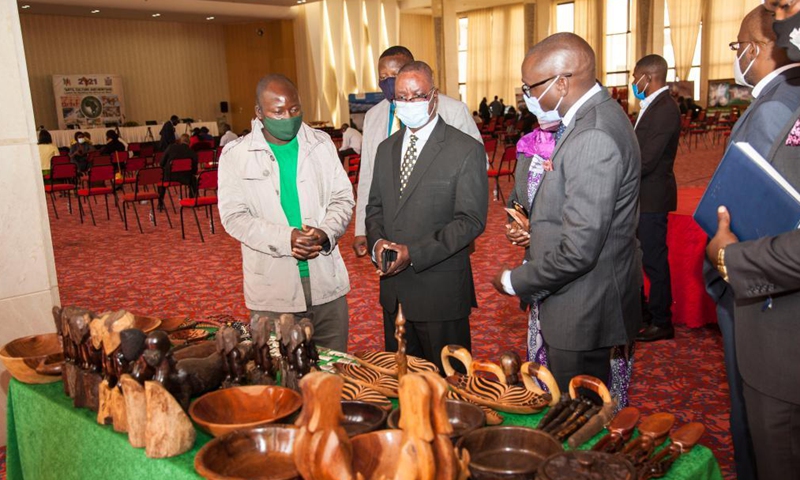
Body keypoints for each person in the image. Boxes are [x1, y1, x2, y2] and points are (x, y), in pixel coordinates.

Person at [491, 33, 642, 394]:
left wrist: (515, 281)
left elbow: (579, 249)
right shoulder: (591, 118)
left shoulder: (593, 134)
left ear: (561, 83)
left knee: (577, 420)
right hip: (581, 297)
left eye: (530, 88)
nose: (526, 97)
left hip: (585, 306)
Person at [704, 3, 800, 479]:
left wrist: (728, 261)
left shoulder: (778, 104)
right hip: (763, 279)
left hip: (762, 289)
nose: (736, 56)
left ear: (758, 49)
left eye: (738, 47)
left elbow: (764, 212)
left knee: (761, 429)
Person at [366, 61, 488, 372]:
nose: (409, 104)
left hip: (441, 294)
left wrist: (415, 252)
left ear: (433, 96)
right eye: (401, 97)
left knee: (449, 392)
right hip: (394, 295)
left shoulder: (465, 150)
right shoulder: (386, 149)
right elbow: (374, 207)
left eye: (416, 96)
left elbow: (470, 220)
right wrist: (377, 241)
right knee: (403, 385)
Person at [218, 74, 354, 352]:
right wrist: (286, 238)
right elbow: (234, 216)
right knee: (280, 377)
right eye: (277, 112)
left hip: (327, 284)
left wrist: (326, 232)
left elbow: (342, 199)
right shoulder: (236, 155)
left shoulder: (321, 144)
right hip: (272, 293)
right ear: (259, 112)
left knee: (333, 372)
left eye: (294, 109)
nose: (288, 117)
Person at [352, 46, 482, 257]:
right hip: (389, 229)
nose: (389, 81)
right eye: (383, 76)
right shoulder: (373, 116)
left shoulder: (453, 110)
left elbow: (477, 165)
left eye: (395, 74)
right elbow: (368, 176)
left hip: (440, 232)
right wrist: (361, 230)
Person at [630, 55, 682, 343]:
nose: (633, 81)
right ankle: (645, 313)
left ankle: (662, 321)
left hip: (652, 197)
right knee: (640, 257)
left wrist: (618, 170)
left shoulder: (664, 109)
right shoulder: (651, 106)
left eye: (635, 76)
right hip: (642, 196)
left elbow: (647, 159)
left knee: (654, 261)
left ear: (647, 78)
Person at [158, 134, 198, 208]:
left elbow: (161, 163)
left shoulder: (171, 147)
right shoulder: (192, 152)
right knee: (193, 179)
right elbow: (195, 170)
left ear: (180, 141)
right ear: (189, 142)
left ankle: (160, 203)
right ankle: (192, 200)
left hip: (170, 177)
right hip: (186, 178)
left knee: (161, 179)